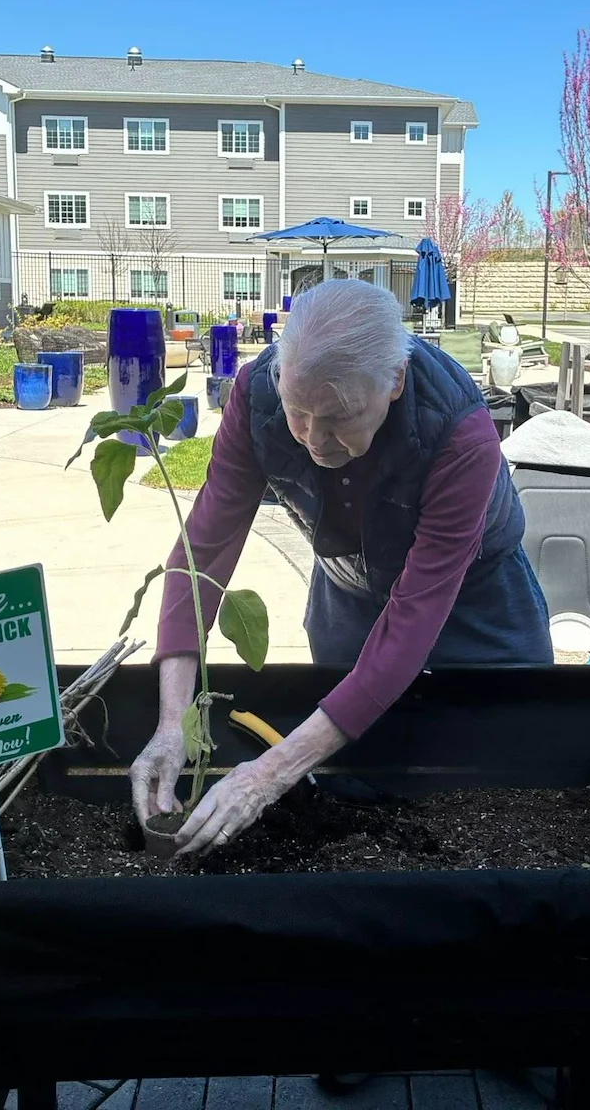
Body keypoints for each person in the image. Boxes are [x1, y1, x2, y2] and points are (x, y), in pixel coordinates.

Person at [130, 280, 552, 853]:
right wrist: (172, 722)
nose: (313, 439)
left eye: (340, 417)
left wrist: (266, 776)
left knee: (502, 794)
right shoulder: (257, 394)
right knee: (356, 793)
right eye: (298, 411)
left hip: (479, 603)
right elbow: (204, 548)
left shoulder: (458, 432)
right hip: (349, 597)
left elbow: (414, 617)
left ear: (395, 382)